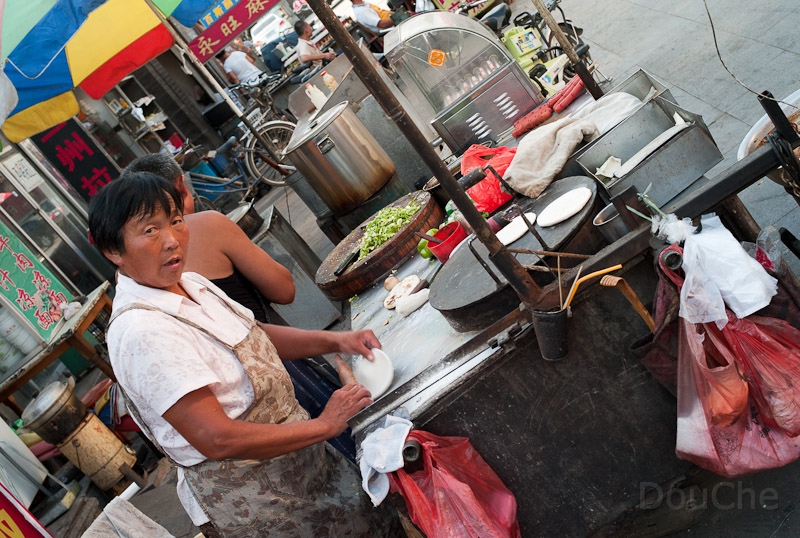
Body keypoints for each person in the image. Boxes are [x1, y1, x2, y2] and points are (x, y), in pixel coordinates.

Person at [88, 173, 404, 537]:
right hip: (261, 500)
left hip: (305, 464)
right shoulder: (142, 332)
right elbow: (216, 438)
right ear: (114, 250)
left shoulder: (190, 283)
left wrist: (337, 341)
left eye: (175, 221)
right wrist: (324, 424)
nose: (172, 240)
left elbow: (252, 337)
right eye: (150, 231)